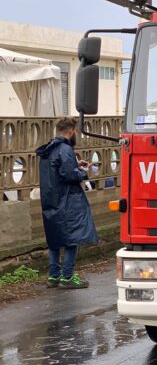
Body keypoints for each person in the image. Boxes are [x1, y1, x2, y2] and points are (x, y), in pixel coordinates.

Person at [36, 117, 98, 288]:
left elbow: (57, 170)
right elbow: (70, 176)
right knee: (72, 238)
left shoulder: (48, 150)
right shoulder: (65, 149)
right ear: (71, 130)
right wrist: (83, 171)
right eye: (75, 131)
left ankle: (53, 276)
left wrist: (75, 164)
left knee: (55, 240)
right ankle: (68, 277)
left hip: (50, 201)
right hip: (67, 201)